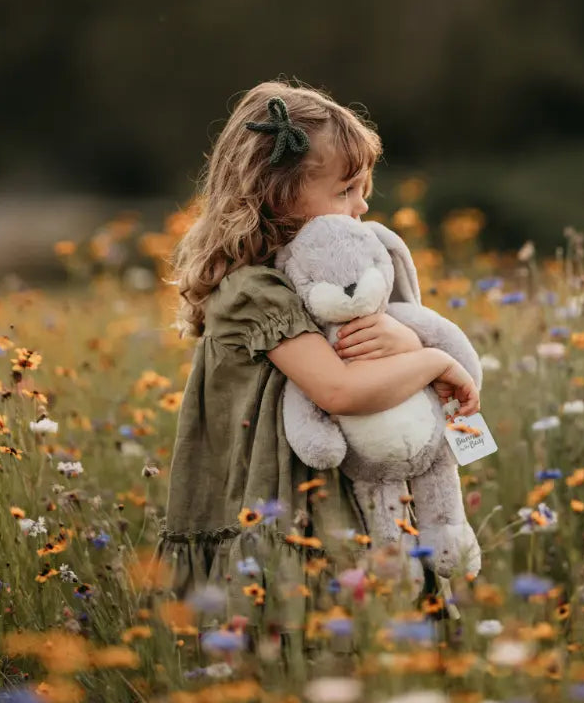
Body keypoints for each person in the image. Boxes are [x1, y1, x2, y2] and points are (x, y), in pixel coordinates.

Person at [155, 79, 479, 642]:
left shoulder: (325, 280)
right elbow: (338, 392)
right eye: (346, 190)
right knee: (309, 634)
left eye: (364, 188)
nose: (363, 206)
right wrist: (433, 362)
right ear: (276, 194)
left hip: (344, 492)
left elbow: (369, 365)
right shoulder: (253, 290)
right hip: (285, 503)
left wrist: (404, 340)